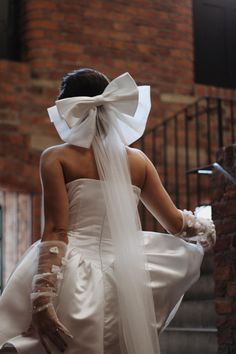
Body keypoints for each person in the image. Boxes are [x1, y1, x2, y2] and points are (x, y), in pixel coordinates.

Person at [0, 69, 216, 354]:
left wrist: (42, 297)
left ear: (73, 110)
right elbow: (176, 224)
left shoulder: (56, 157)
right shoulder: (139, 161)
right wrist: (208, 226)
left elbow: (57, 230)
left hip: (72, 277)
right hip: (128, 280)